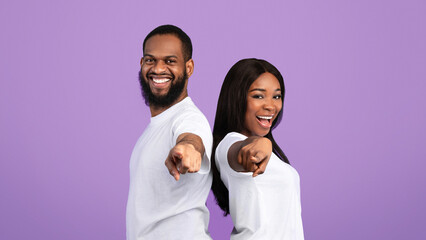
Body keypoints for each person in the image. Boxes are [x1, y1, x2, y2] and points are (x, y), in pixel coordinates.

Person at [126, 25, 212, 240]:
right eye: (150, 60)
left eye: (170, 61)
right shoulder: (155, 127)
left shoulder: (188, 117)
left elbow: (192, 137)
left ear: (189, 67)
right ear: (141, 64)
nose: (158, 68)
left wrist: (189, 148)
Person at [211, 58, 304, 239]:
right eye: (258, 96)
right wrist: (262, 144)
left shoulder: (271, 154)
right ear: (236, 98)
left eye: (276, 96)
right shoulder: (228, 145)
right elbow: (244, 151)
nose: (270, 105)